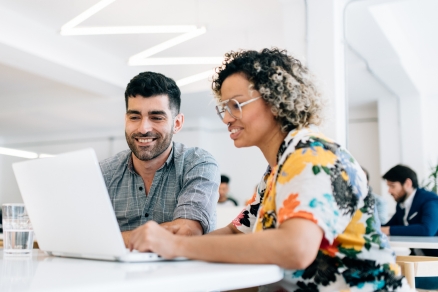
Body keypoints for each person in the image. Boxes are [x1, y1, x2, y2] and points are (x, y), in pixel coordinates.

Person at [128, 49, 409, 291]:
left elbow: (295, 249)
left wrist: (177, 247)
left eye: (236, 105)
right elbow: (238, 233)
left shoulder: (312, 156)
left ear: (276, 100)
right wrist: (161, 250)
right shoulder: (278, 169)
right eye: (223, 108)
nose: (226, 117)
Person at [99, 72, 220, 247]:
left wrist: (106, 240)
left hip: (180, 274)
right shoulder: (104, 172)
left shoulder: (198, 163)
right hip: (116, 274)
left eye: (156, 117)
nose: (143, 128)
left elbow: (186, 232)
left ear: (177, 124)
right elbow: (77, 233)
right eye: (134, 117)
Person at [381, 164, 438, 256]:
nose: (389, 191)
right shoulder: (401, 205)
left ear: (408, 183)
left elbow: (427, 229)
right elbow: (388, 226)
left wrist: (388, 230)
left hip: (434, 259)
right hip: (417, 258)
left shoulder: (430, 200)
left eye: (392, 186)